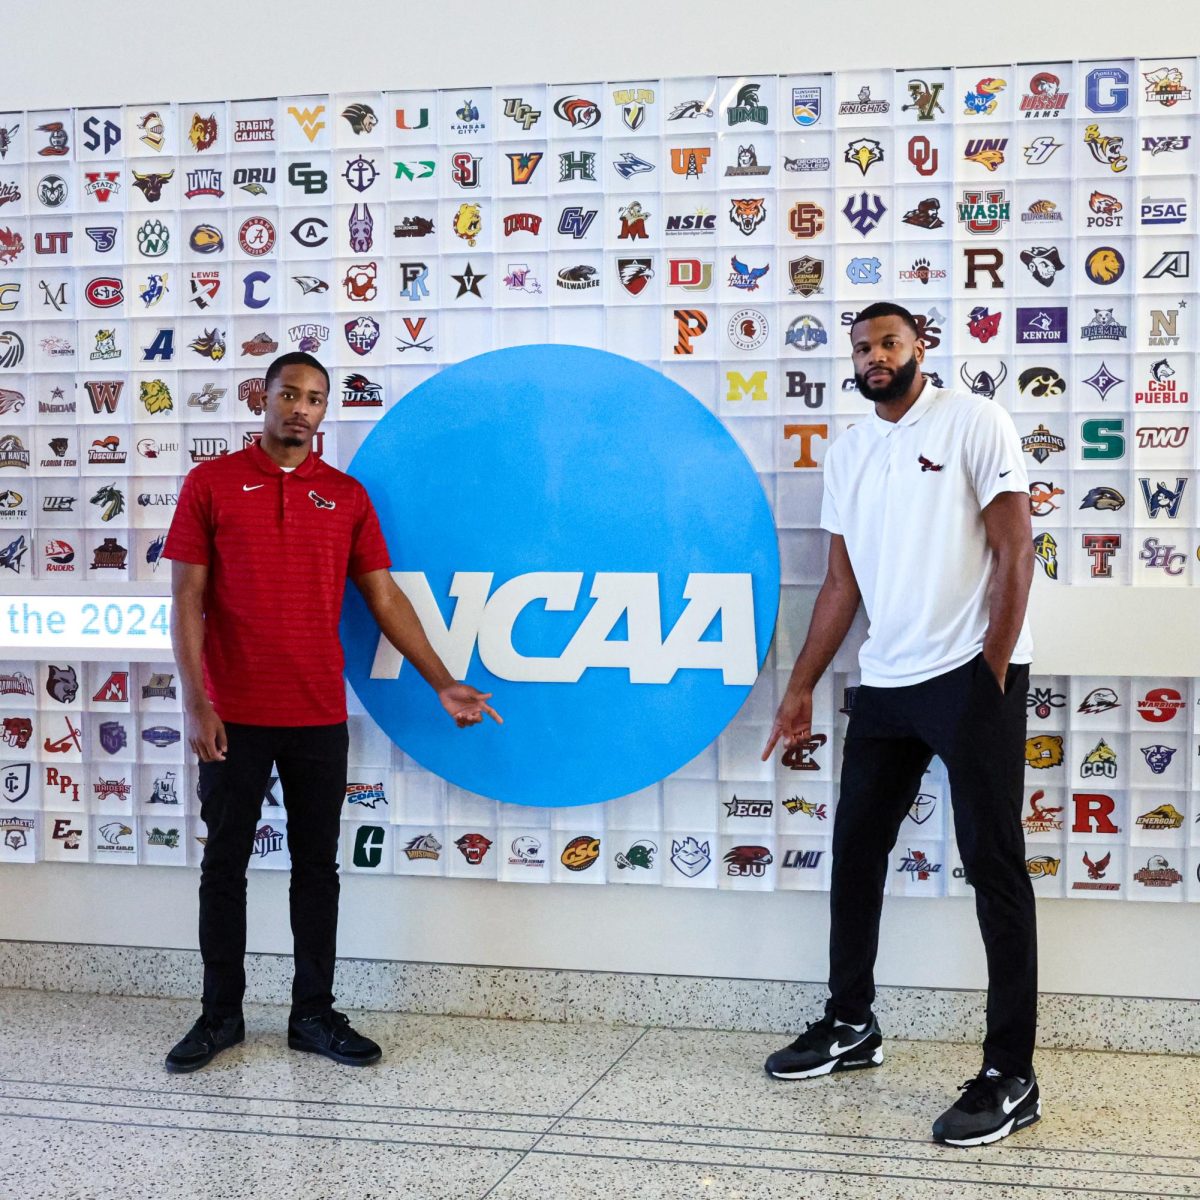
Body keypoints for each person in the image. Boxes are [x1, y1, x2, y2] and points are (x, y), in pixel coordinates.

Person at [162, 351, 501, 1074]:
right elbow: (186, 598)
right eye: (289, 394)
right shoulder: (211, 483)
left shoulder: (345, 497)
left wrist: (442, 681)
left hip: (317, 712)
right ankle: (220, 1015)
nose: (301, 409)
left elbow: (384, 599)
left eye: (315, 399)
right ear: (265, 397)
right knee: (223, 866)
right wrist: (197, 702)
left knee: (317, 869)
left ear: (324, 411)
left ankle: (312, 1013)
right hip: (233, 715)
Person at [761, 302, 1038, 1147]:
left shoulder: (974, 420)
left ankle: (1011, 1075)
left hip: (968, 674)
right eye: (863, 348)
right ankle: (851, 1025)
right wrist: (803, 684)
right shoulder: (849, 448)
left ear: (921, 347)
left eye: (889, 343)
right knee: (855, 850)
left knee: (994, 864)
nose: (875, 357)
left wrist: (992, 664)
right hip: (886, 677)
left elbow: (1015, 548)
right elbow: (841, 584)